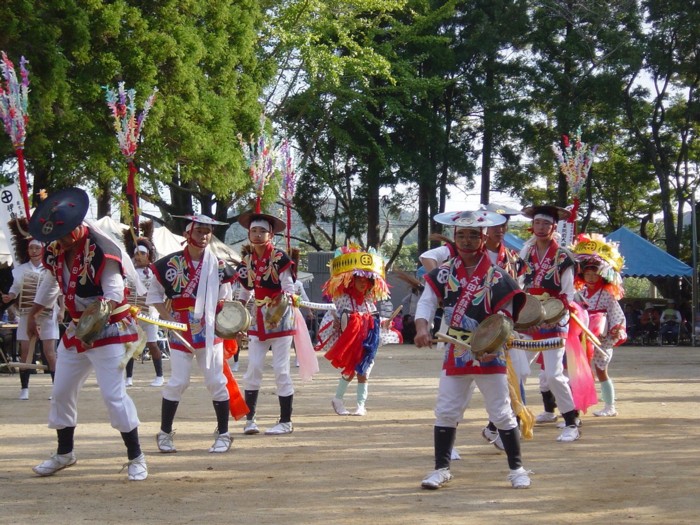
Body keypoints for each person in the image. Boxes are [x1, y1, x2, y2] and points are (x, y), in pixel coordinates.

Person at [26, 188, 147, 481]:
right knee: (61, 390)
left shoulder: (102, 248)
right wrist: (34, 312)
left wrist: (96, 313)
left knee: (113, 395)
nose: (63, 239)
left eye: (67, 233)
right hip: (76, 330)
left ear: (79, 224)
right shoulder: (56, 250)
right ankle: (64, 453)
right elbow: (52, 282)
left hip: (108, 329)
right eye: (58, 235)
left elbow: (114, 291)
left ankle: (136, 457)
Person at [414, 209, 531, 490]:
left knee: (501, 411)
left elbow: (506, 315)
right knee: (446, 410)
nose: (467, 240)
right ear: (455, 239)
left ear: (482, 238)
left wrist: (495, 344)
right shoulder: (443, 273)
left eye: (473, 235)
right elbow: (427, 303)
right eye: (462, 235)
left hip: (489, 351)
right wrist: (421, 327)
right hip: (456, 351)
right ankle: (441, 469)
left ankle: (517, 469)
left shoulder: (496, 275)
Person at [149, 215, 236, 454]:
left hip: (208, 329)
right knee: (178, 381)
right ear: (188, 234)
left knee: (216, 381)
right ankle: (165, 433)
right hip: (179, 328)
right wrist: (167, 317)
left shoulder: (218, 264)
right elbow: (154, 295)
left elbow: (225, 297)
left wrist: (222, 319)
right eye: (199, 232)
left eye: (208, 232)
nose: (204, 236)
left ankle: (224, 433)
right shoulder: (170, 263)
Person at [518, 204, 581, 442]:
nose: (541, 228)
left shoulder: (564, 256)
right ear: (531, 226)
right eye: (537, 223)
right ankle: (512, 420)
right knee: (519, 370)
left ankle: (571, 422)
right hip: (528, 318)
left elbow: (567, 294)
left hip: (554, 318)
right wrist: (525, 314)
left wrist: (548, 315)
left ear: (554, 227)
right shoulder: (525, 252)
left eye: (546, 224)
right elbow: (518, 285)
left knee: (554, 375)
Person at [235, 209, 297, 435]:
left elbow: (288, 287)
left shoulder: (280, 257)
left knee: (281, 369)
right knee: (253, 367)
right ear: (249, 234)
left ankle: (285, 421)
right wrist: (238, 312)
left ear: (271, 234)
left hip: (280, 316)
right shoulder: (248, 260)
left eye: (263, 231)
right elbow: (245, 291)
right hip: (258, 317)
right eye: (254, 231)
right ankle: (250, 420)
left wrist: (284, 301)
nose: (258, 235)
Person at [316, 245, 392, 416]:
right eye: (359, 278)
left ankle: (360, 405)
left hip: (367, 342)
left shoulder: (368, 301)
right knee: (350, 372)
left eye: (366, 279)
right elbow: (336, 314)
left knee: (363, 372)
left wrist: (385, 322)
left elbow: (374, 318)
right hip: (352, 342)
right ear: (351, 279)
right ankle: (338, 399)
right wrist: (337, 321)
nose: (363, 282)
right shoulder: (343, 298)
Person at [2, 218, 61, 400]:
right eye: (31, 248)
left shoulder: (51, 268)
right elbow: (15, 289)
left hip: (48, 313)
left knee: (50, 353)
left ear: (43, 249)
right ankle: (24, 388)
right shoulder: (20, 270)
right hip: (27, 313)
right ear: (27, 250)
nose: (34, 251)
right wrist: (10, 296)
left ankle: (56, 389)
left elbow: (59, 291)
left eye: (37, 248)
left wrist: (63, 310)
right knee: (25, 351)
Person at [572, 233, 627, 417]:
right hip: (582, 335)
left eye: (594, 274)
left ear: (601, 275)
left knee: (601, 370)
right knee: (579, 371)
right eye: (587, 273)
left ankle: (610, 406)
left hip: (601, 337)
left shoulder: (607, 294)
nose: (591, 277)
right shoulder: (579, 293)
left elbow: (616, 315)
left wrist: (614, 331)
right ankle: (578, 406)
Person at [125, 236, 165, 387]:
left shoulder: (154, 271)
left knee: (152, 344)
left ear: (148, 255)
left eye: (142, 253)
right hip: (132, 315)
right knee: (130, 345)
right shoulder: (129, 272)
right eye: (136, 254)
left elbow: (160, 292)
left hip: (149, 314)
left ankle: (159, 375)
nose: (139, 257)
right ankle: (128, 377)